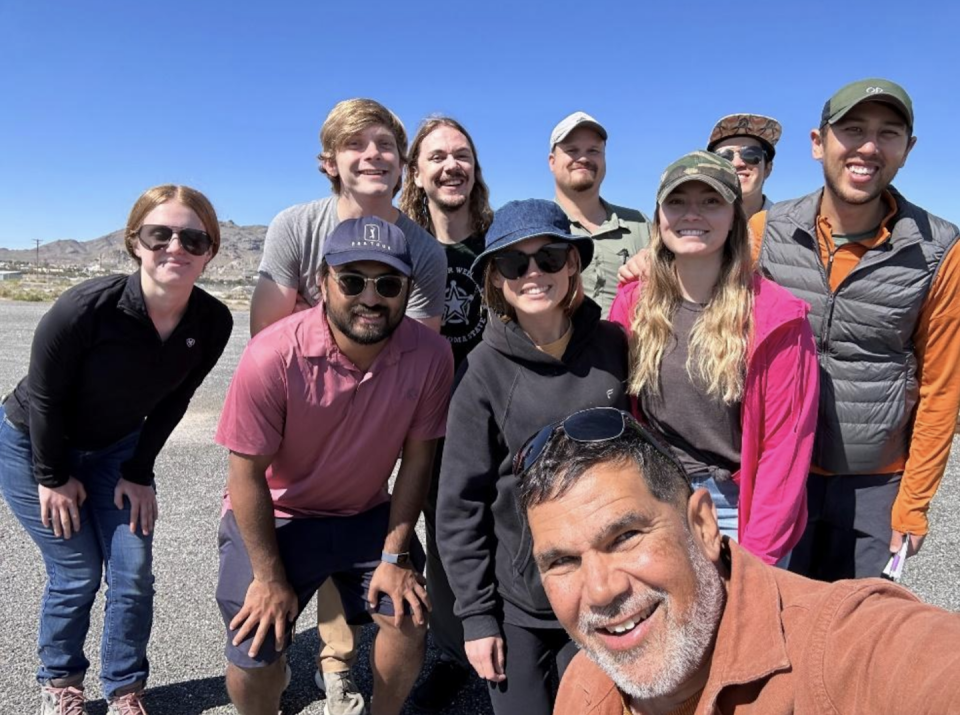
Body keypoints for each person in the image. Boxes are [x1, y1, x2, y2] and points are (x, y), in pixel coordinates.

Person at [516, 407, 960, 715]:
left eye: (625, 537)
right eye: (562, 562)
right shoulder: (584, 683)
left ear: (704, 526)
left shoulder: (836, 646)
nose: (600, 590)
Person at [0, 185, 233, 715]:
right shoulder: (85, 308)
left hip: (114, 452)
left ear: (210, 251)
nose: (176, 246)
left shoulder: (212, 322)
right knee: (77, 571)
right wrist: (54, 476)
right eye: (161, 234)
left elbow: (176, 401)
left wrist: (139, 471)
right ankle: (60, 682)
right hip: (32, 444)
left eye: (194, 238)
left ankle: (125, 689)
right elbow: (45, 397)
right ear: (135, 242)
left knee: (132, 571)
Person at [250, 98, 447, 709]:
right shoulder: (296, 227)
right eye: (355, 145)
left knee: (360, 533)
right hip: (298, 424)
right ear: (329, 162)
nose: (372, 156)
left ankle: (336, 665)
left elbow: (413, 354)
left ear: (402, 163)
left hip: (371, 428)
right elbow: (266, 339)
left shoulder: (423, 252)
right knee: (280, 580)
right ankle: (324, 665)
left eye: (385, 144)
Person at [214, 217, 453, 715]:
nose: (371, 297)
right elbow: (246, 474)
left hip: (363, 513)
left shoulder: (431, 354)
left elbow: (418, 459)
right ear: (323, 281)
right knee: (255, 650)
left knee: (408, 616)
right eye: (352, 281)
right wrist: (268, 575)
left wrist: (395, 557)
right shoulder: (272, 355)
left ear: (408, 289)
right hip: (278, 516)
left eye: (388, 284)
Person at [749, 78, 960, 581]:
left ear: (907, 150)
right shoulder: (764, 233)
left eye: (888, 133)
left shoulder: (939, 250)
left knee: (860, 636)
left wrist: (914, 504)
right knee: (776, 624)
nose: (868, 146)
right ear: (818, 142)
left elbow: (941, 386)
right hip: (779, 475)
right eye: (852, 129)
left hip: (875, 486)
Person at [436, 199, 629, 715]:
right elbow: (461, 505)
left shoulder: (615, 348)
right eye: (514, 264)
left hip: (608, 592)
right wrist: (477, 619)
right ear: (496, 279)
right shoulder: (482, 373)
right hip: (523, 602)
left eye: (548, 257)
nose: (533, 274)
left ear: (573, 263)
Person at [609, 151, 818, 564]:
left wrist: (758, 558)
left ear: (734, 217)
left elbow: (784, 451)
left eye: (711, 202)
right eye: (677, 201)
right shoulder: (633, 304)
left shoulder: (777, 318)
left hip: (737, 509)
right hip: (655, 499)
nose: (692, 214)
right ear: (659, 218)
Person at [398, 116, 493, 711]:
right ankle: (453, 652)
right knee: (442, 537)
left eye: (462, 155)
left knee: (504, 529)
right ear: (417, 172)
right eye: (436, 156)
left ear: (475, 168)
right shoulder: (400, 242)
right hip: (426, 420)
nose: (450, 165)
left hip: (494, 415)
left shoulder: (498, 239)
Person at [549, 111, 650, 315]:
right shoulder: (537, 228)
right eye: (572, 150)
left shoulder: (641, 225)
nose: (583, 158)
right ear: (552, 161)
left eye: (593, 150)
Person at [706, 113, 782, 218]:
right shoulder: (697, 224)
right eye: (724, 157)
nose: (737, 164)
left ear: (768, 168)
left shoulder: (791, 228)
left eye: (751, 154)